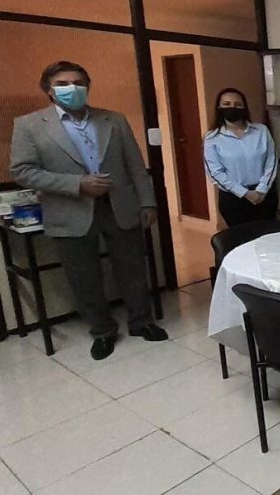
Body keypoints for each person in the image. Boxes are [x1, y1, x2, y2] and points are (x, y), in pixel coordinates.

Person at [9, 60, 168, 361]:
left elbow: (135, 165)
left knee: (133, 268)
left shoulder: (114, 119)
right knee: (84, 277)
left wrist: (148, 202)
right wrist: (78, 184)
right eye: (63, 84)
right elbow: (23, 172)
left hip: (120, 206)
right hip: (69, 211)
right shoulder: (29, 125)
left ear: (87, 86)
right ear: (49, 90)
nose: (72, 88)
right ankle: (103, 331)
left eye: (78, 83)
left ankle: (141, 321)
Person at [203, 88, 278, 227]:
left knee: (268, 235)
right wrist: (244, 193)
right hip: (233, 199)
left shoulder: (261, 131)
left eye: (238, 104)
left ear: (244, 107)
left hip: (264, 195)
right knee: (241, 237)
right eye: (227, 104)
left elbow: (271, 162)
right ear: (219, 107)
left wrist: (261, 189)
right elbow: (215, 172)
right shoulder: (212, 138)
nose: (233, 107)